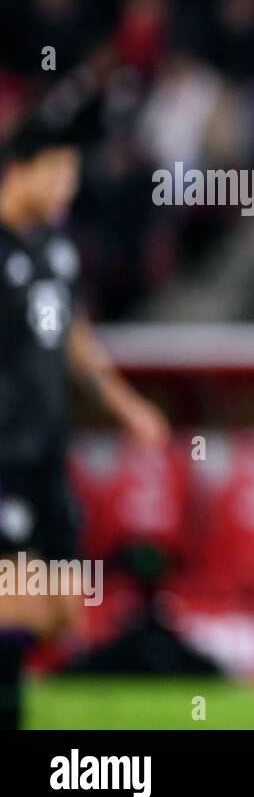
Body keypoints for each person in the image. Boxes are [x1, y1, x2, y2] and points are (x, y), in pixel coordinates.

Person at [0, 119, 170, 729]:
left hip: (47, 449)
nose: (69, 185)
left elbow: (74, 341)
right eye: (59, 172)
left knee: (63, 612)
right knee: (17, 601)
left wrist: (128, 407)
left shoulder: (55, 248)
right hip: (5, 453)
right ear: (21, 170)